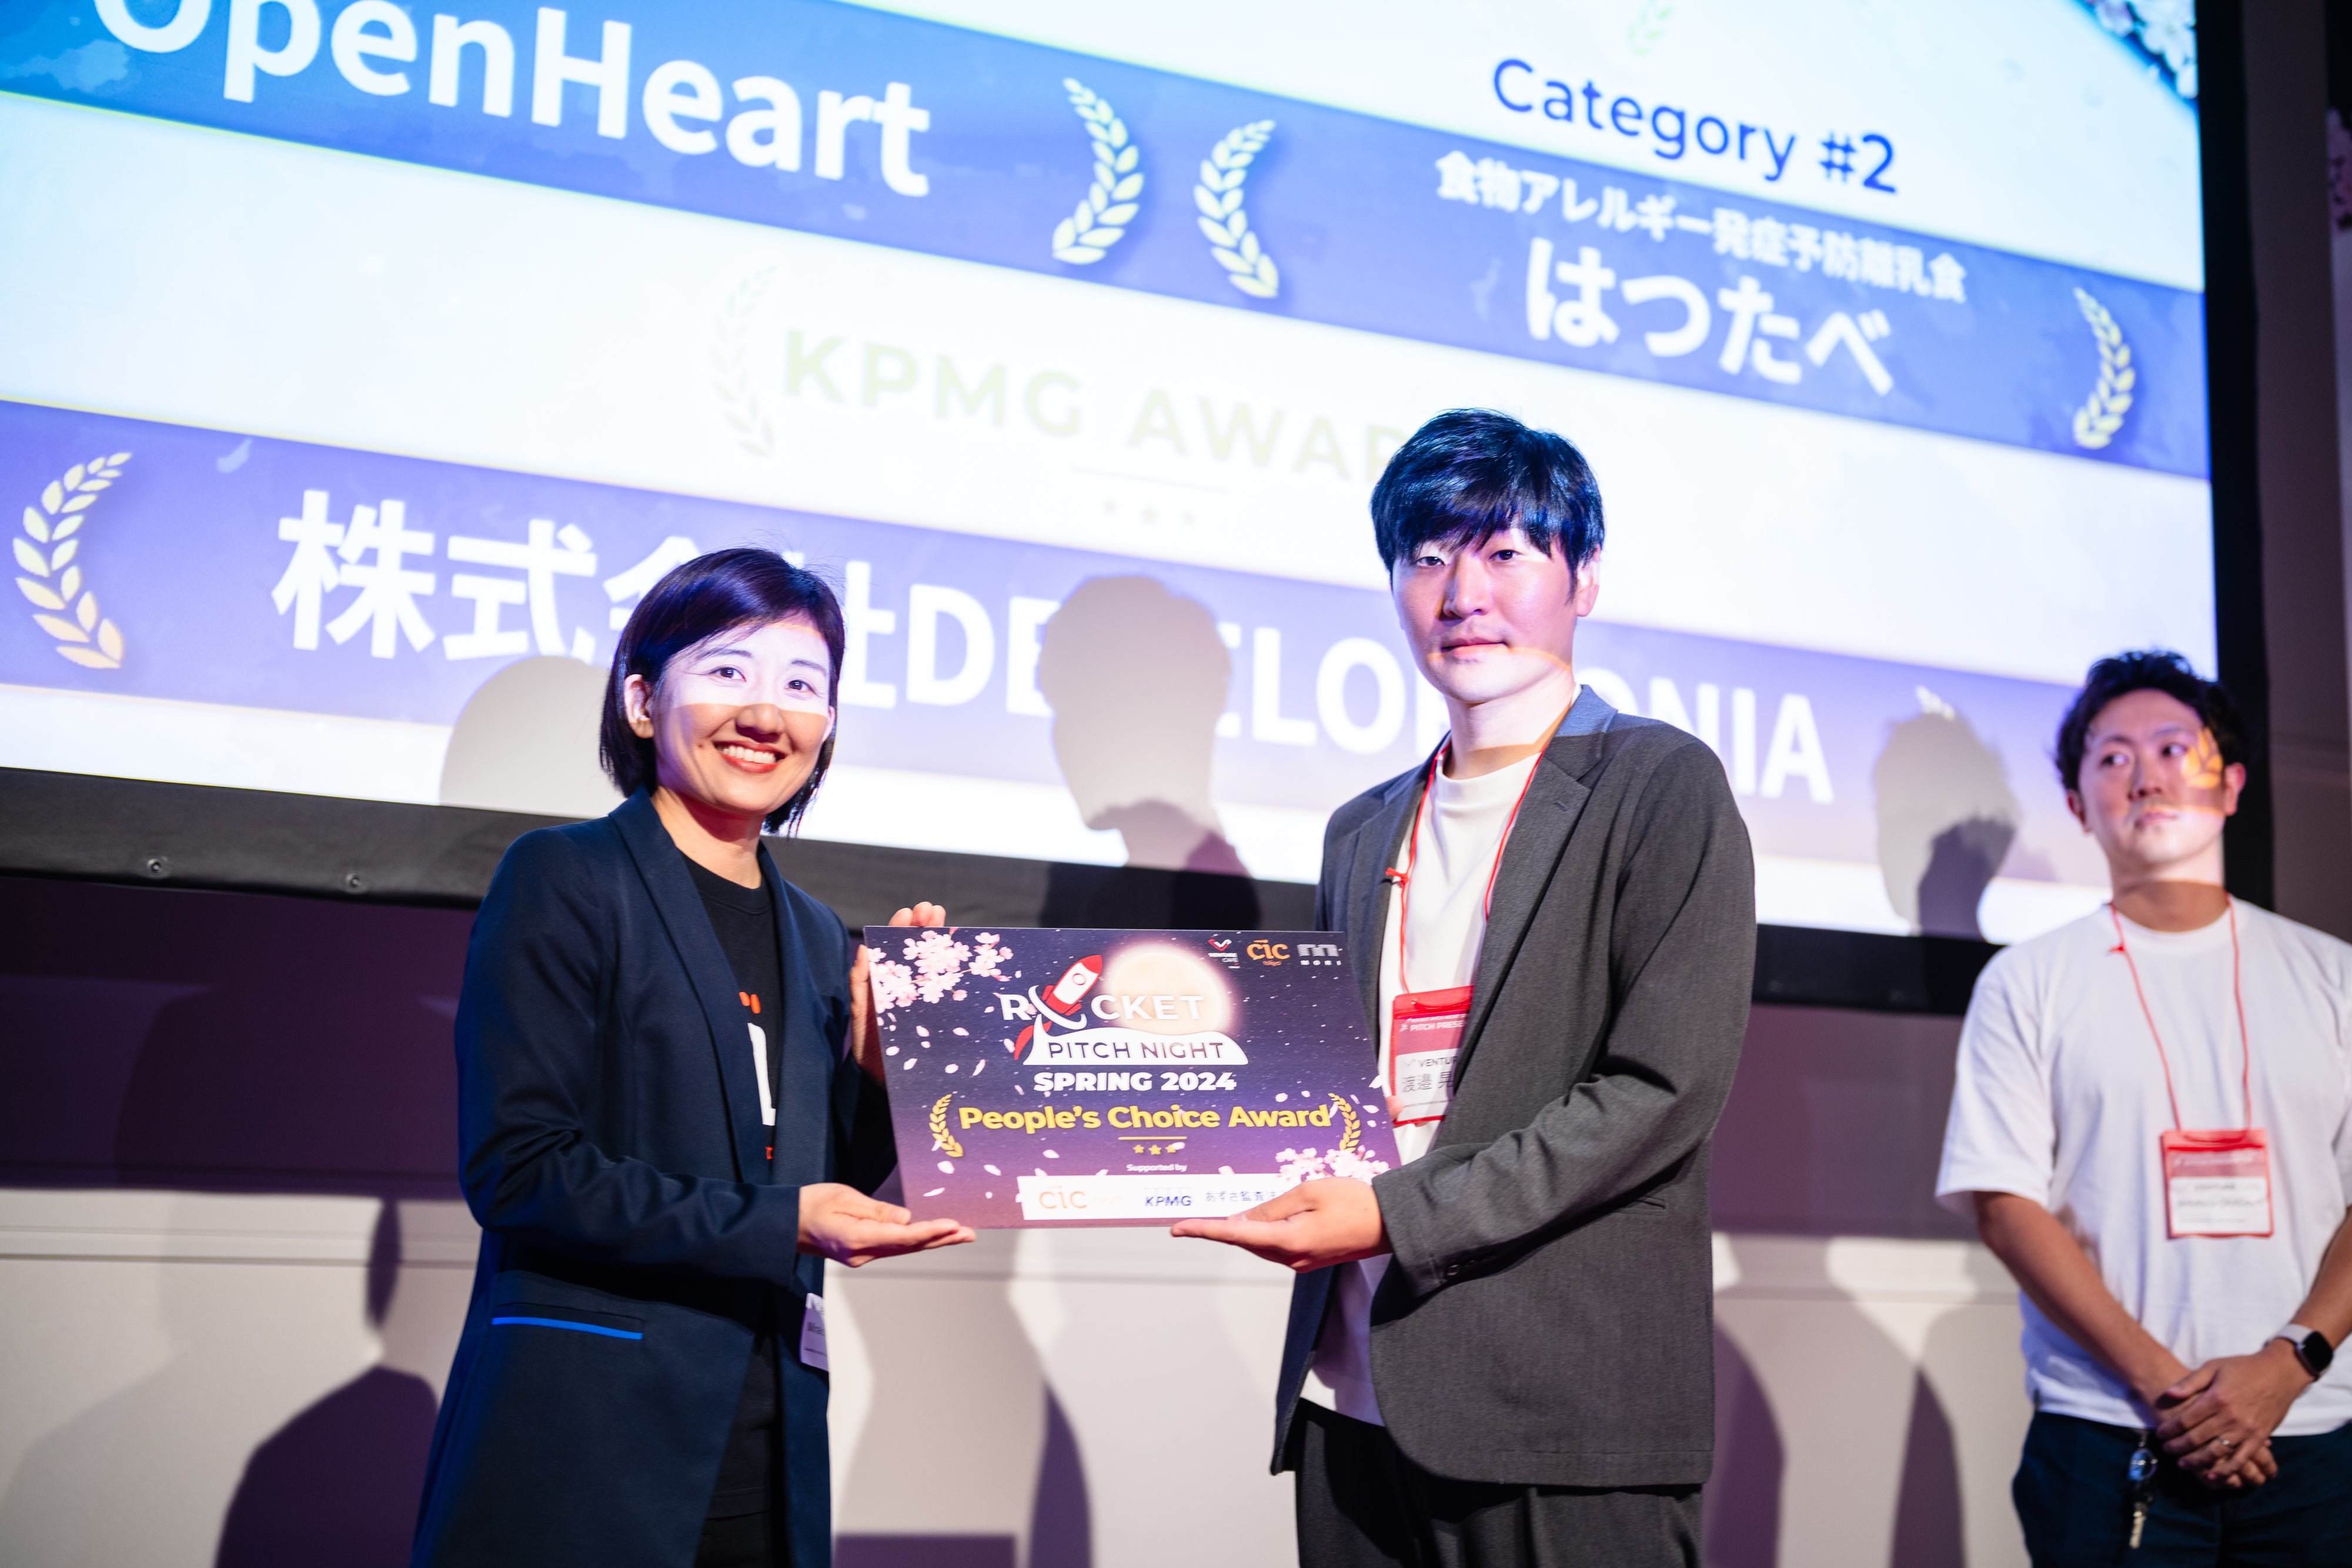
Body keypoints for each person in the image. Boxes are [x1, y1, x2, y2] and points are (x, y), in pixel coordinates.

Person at [1175, 409, 1756, 1567]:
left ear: (1584, 577)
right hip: (1349, 1388)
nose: (1461, 592)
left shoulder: (1657, 784)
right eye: (1428, 556)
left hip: (1559, 1403)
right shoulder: (1362, 829)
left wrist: (1396, 1215)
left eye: (1504, 552)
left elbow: (1658, 1092)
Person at [410, 549, 974, 1568]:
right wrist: (780, 1221)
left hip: (770, 1432)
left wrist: (885, 1071)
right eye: (726, 671)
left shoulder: (817, 933)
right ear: (641, 702)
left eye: (801, 685)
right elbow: (521, 1171)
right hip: (591, 1435)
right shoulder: (565, 878)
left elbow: (819, 1185)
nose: (765, 713)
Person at [1937, 650, 2352, 1563]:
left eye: (2174, 748)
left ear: (2231, 784)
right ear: (2079, 803)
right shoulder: (2027, 981)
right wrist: (2181, 1398)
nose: (2148, 775)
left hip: (2313, 1430)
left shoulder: (2333, 977)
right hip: (2109, 1432)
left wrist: (2290, 1363)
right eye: (2114, 757)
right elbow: (2006, 1207)